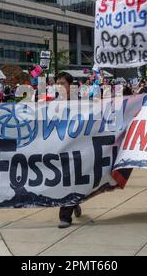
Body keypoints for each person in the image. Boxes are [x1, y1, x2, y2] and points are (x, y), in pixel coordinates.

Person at [55, 72, 82, 228]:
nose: (59, 86)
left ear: (70, 86)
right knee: (65, 180)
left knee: (70, 178)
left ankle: (65, 216)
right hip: (60, 148)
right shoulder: (53, 104)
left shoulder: (80, 103)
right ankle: (74, 201)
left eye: (62, 83)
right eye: (57, 83)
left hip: (77, 148)